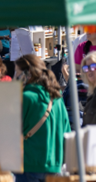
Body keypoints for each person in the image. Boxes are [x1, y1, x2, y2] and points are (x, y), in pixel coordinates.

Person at [14, 54, 71, 182]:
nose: (14, 77)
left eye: (16, 73)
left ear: (26, 74)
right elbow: (67, 134)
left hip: (29, 164)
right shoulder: (57, 98)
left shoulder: (25, 97)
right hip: (54, 166)